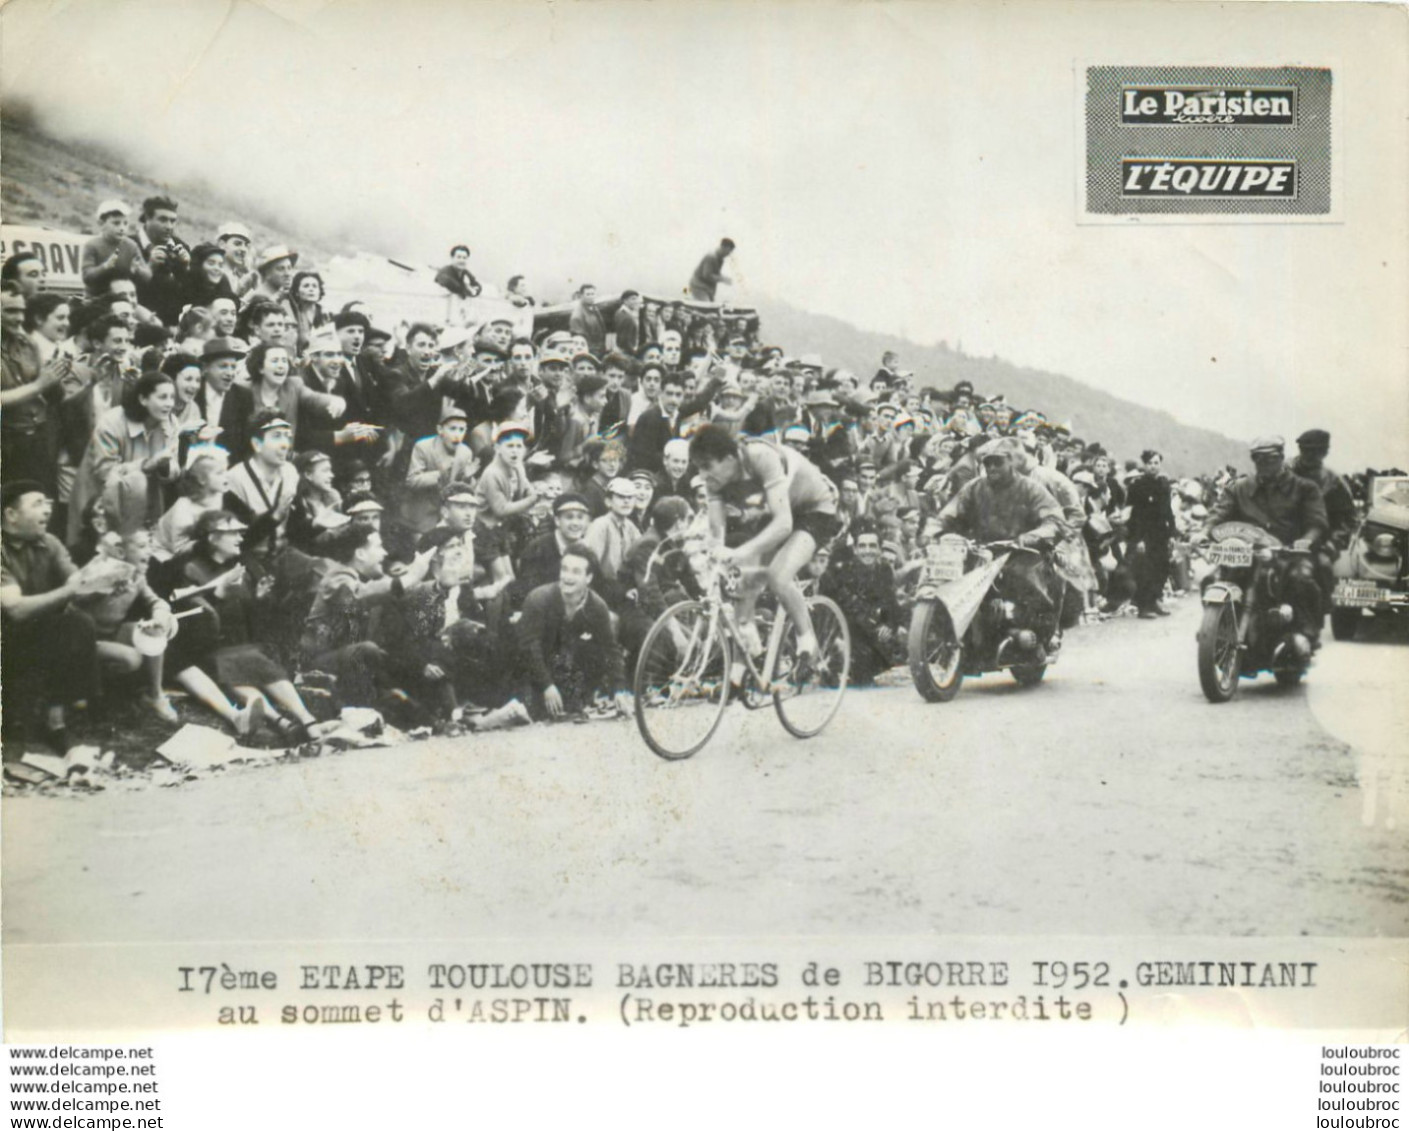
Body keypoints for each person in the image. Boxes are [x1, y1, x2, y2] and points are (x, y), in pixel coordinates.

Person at [690, 423, 842, 667]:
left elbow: (783, 525)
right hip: (773, 512)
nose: (703, 475)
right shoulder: (715, 482)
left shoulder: (759, 456)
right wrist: (716, 554)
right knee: (743, 584)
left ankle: (807, 641)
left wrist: (739, 553)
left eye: (707, 466)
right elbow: (717, 531)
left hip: (814, 510)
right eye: (699, 468)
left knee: (778, 576)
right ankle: (744, 667)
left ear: (730, 459)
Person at [1, 481, 112, 756]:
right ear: (11, 514)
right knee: (69, 623)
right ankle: (85, 701)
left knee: (78, 622)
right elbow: (14, 609)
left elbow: (76, 582)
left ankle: (57, 723)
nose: (48, 510)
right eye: (37, 504)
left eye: (49, 503)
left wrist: (102, 586)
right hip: (6, 637)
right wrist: (70, 592)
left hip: (32, 630)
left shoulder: (49, 542)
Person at [1201, 435, 1329, 647]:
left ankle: (1306, 633)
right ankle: (1218, 630)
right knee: (1211, 580)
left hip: (1287, 553)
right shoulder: (1239, 487)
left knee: (1301, 580)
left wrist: (1305, 541)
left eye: (1270, 459)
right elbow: (1219, 512)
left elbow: (1317, 522)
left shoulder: (1305, 488)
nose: (1264, 464)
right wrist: (1204, 531)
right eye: (1258, 459)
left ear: (1281, 458)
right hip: (1247, 553)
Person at [937, 439, 1067, 646]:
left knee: (1025, 577)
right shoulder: (974, 488)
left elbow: (1055, 521)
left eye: (998, 462)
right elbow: (949, 514)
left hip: (1022, 552)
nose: (992, 467)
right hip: (981, 552)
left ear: (1011, 462)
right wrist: (934, 531)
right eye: (987, 463)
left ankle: (1037, 633)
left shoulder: (1031, 489)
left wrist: (1030, 537)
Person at [299, 526, 435, 708]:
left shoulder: (362, 579)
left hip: (349, 661)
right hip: (318, 665)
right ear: (361, 554)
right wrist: (410, 577)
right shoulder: (337, 577)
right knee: (367, 651)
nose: (384, 553)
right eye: (379, 547)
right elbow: (359, 595)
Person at [516, 544, 628, 720]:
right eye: (565, 570)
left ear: (588, 578)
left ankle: (582, 699)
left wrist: (619, 689)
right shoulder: (538, 599)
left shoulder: (597, 606)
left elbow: (611, 649)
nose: (568, 577)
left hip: (566, 672)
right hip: (534, 672)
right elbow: (529, 648)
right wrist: (547, 686)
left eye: (576, 572)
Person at [820, 522, 902, 685]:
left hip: (867, 630)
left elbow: (889, 602)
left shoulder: (884, 570)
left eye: (872, 546)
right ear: (855, 549)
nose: (867, 551)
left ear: (879, 549)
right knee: (861, 669)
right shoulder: (842, 571)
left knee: (895, 649)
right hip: (843, 631)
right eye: (862, 546)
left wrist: (888, 624)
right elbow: (842, 609)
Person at [1290, 428, 1357, 615]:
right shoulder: (1283, 474)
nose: (1309, 455)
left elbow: (1350, 519)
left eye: (1315, 450)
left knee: (1324, 565)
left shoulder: (1334, 481)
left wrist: (1333, 542)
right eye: (1305, 449)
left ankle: (1321, 608)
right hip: (1284, 535)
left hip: (1321, 540)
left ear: (1324, 452)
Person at [1125, 449, 1178, 618]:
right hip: (1144, 534)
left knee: (1162, 567)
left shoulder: (1164, 485)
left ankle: (1154, 601)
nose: (1153, 466)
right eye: (1149, 463)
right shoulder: (1137, 486)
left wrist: (1171, 534)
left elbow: (1168, 511)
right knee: (1145, 570)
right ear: (1144, 465)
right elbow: (1134, 515)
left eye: (1156, 463)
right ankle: (1144, 606)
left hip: (1161, 533)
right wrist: (1138, 539)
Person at [133, 195, 192, 325]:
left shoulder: (181, 246)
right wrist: (149, 269)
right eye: (163, 220)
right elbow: (124, 293)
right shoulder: (130, 245)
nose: (169, 226)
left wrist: (186, 269)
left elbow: (190, 295)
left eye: (173, 221)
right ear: (147, 218)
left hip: (174, 326)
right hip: (140, 324)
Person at [81, 200, 150, 298]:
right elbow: (87, 277)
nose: (122, 228)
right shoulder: (92, 245)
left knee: (148, 314)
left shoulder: (131, 246)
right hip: (97, 299)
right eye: (116, 223)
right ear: (101, 223)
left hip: (126, 299)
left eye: (125, 223)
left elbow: (148, 276)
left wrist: (138, 270)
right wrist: (105, 267)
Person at [568, 284, 606, 355]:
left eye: (593, 294)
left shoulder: (594, 308)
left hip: (600, 349)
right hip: (590, 352)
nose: (591, 296)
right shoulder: (577, 315)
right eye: (588, 294)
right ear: (581, 296)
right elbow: (580, 340)